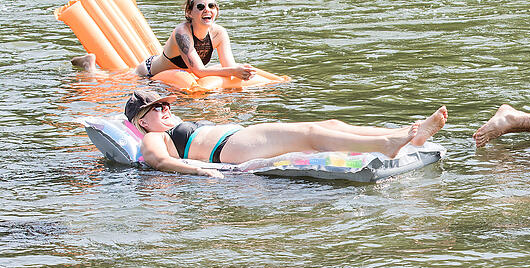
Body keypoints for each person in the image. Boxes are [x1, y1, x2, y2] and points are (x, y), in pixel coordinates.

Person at [124, 90, 448, 178]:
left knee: (331, 125)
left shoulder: (165, 126)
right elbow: (158, 161)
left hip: (238, 139)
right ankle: (388, 144)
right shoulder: (152, 137)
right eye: (155, 109)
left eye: (165, 105)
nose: (164, 110)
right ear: (141, 121)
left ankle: (407, 134)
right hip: (227, 150)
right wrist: (199, 169)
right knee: (310, 134)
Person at [72, 0, 256, 80]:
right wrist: (234, 71)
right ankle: (90, 66)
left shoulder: (219, 33)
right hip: (148, 75)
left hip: (180, 75)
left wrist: (241, 72)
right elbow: (199, 71)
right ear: (189, 13)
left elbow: (229, 66)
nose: (207, 10)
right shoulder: (182, 33)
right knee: (109, 82)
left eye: (211, 6)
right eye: (200, 6)